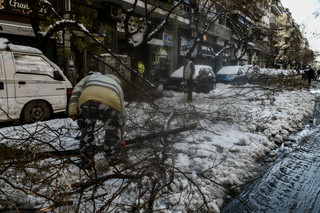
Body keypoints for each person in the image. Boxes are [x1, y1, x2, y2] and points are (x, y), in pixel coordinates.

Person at [69, 72, 127, 170]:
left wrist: (73, 110)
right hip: (111, 101)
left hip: (87, 99)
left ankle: (87, 161)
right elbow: (122, 114)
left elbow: (77, 90)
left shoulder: (91, 77)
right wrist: (121, 136)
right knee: (112, 130)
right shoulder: (117, 86)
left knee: (87, 130)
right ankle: (113, 160)